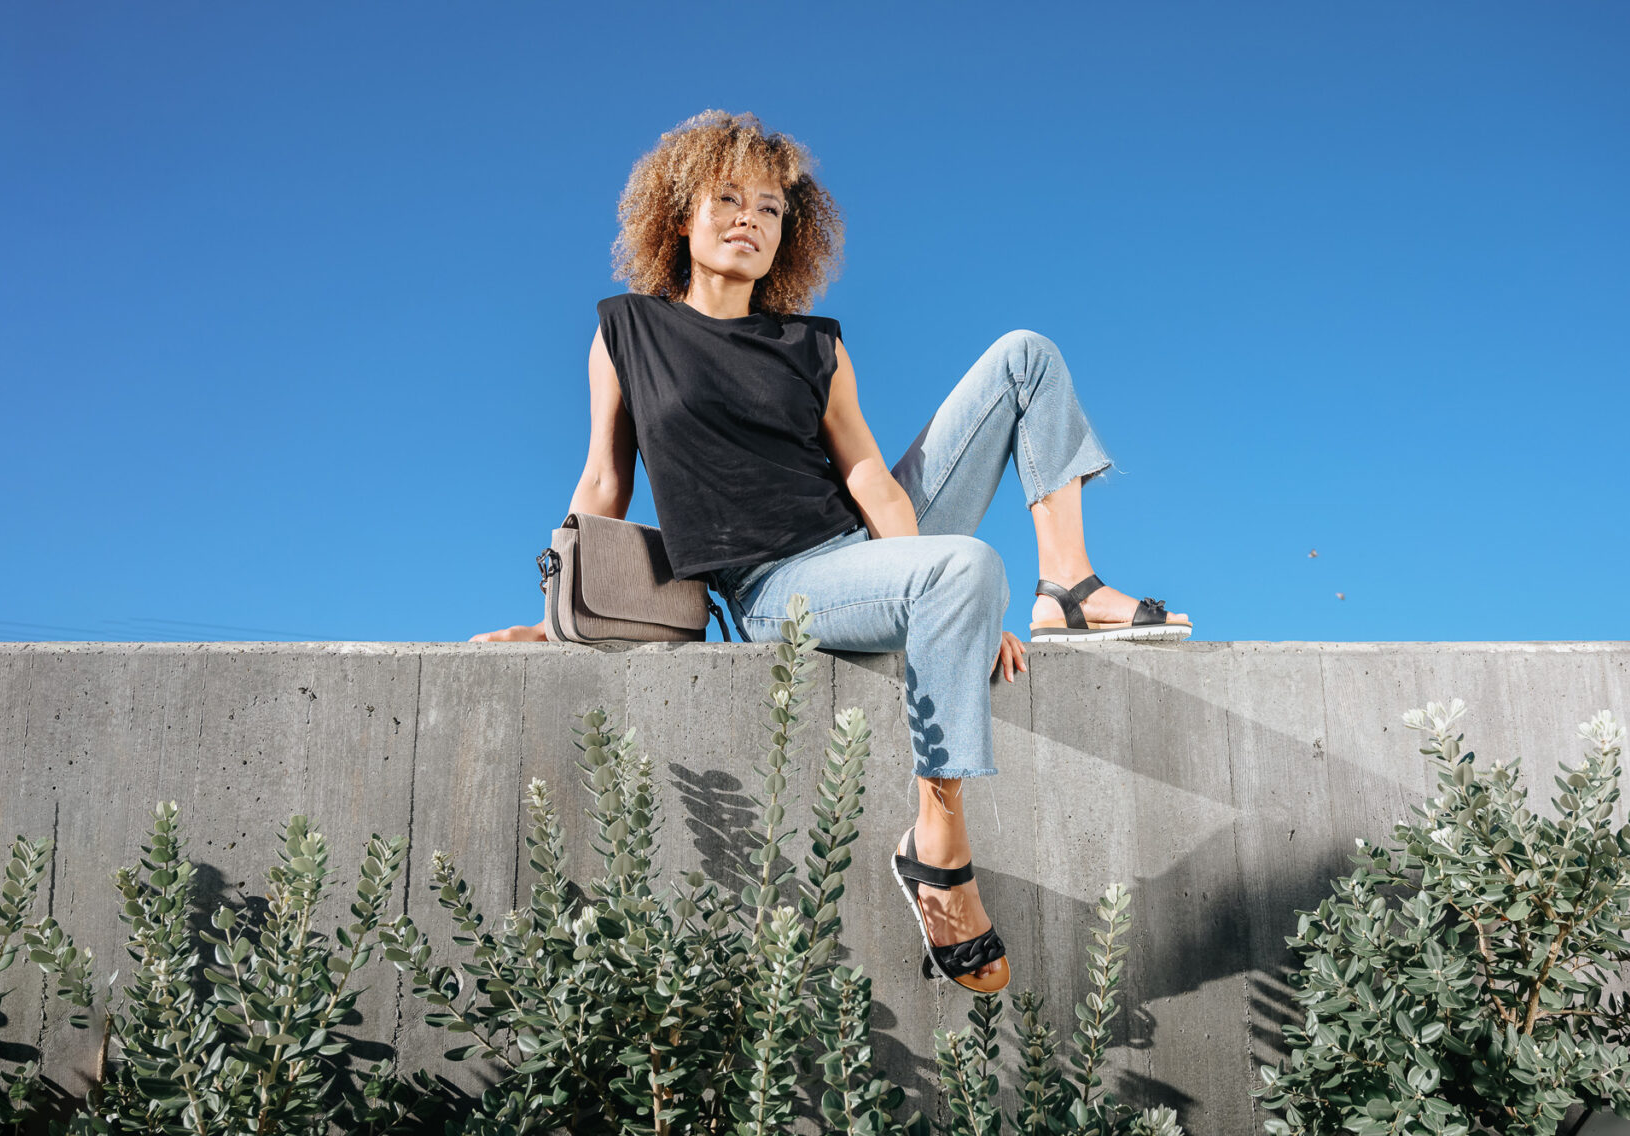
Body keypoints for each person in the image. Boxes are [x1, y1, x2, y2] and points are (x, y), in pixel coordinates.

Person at [475, 110, 1190, 993]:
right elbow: (601, 488)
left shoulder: (813, 344)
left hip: (859, 546)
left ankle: (1067, 586)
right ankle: (937, 847)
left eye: (770, 209)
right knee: (963, 569)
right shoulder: (630, 332)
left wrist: (941, 599)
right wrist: (559, 617)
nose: (749, 220)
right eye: (728, 199)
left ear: (792, 232)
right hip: (778, 586)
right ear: (679, 216)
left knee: (1024, 358)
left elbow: (874, 484)